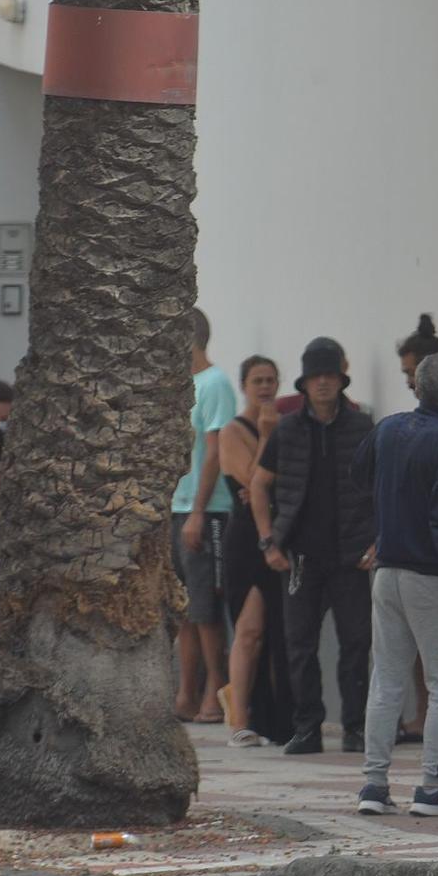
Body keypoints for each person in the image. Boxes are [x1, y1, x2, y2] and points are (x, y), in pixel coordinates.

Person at [352, 351, 438, 817]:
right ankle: (431, 786)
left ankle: (373, 784)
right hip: (431, 578)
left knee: (385, 680)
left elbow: (357, 476)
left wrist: (382, 525)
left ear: (417, 387)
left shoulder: (387, 428)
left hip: (386, 572)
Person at [251, 337, 376, 756]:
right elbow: (259, 484)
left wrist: (378, 541)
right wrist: (268, 541)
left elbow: (383, 487)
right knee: (299, 645)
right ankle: (307, 728)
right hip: (299, 556)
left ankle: (355, 728)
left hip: (351, 555)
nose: (323, 384)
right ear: (304, 384)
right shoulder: (287, 429)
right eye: (316, 377)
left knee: (356, 643)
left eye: (330, 376)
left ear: (341, 380)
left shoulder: (362, 427)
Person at [218, 356, 292, 747]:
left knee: (281, 632)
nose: (264, 387)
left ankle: (279, 717)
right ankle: (239, 719)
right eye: (257, 381)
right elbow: (252, 483)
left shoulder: (289, 427)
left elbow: (282, 483)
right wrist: (265, 436)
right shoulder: (234, 431)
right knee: (249, 631)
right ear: (244, 385)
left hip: (281, 536)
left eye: (271, 380)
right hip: (245, 540)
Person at [172, 309, 238, 725]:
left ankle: (216, 689)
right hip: (176, 509)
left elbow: (216, 451)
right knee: (184, 609)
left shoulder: (214, 384)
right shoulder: (181, 386)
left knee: (206, 608)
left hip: (207, 511)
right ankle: (185, 692)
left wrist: (198, 511)